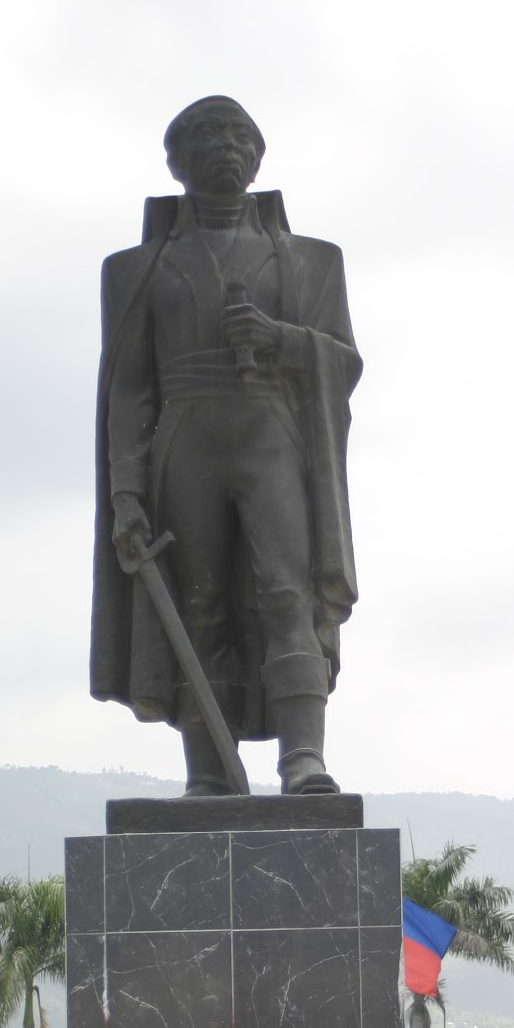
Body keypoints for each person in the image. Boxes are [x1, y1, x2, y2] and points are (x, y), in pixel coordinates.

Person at [91, 95, 362, 797]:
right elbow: (129, 392)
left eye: (241, 136)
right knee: (198, 603)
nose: (227, 147)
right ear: (177, 163)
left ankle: (303, 760)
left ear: (259, 158)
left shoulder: (310, 260)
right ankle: (208, 773)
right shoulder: (137, 269)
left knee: (286, 594)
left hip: (271, 437)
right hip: (184, 444)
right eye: (208, 136)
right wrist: (126, 493)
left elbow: (344, 361)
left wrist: (282, 341)